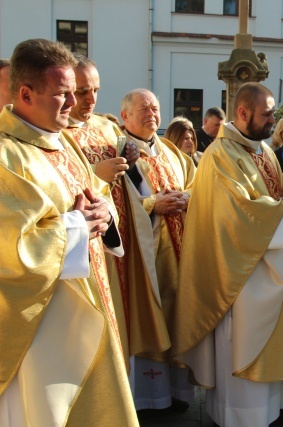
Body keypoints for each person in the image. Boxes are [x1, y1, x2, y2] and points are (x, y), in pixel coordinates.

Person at [0, 38, 137, 425]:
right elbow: (12, 249)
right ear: (25, 94)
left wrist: (104, 215)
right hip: (43, 322)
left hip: (91, 300)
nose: (74, 105)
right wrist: (77, 225)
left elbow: (95, 198)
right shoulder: (7, 156)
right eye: (63, 94)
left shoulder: (64, 143)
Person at [173, 82, 283, 427]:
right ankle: (239, 418)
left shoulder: (261, 149)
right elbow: (234, 211)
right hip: (241, 273)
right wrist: (281, 210)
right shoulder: (221, 155)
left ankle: (270, 412)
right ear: (243, 112)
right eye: (266, 114)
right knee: (245, 344)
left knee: (270, 343)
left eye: (273, 112)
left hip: (271, 263)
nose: (272, 119)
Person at [62, 55, 170, 370]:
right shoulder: (59, 132)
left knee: (124, 314)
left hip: (124, 238)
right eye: (82, 91)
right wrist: (97, 172)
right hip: (91, 244)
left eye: (95, 90)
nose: (90, 99)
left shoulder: (108, 127)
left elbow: (136, 179)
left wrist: (132, 159)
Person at [121, 88, 197, 411]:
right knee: (151, 313)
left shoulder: (170, 150)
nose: (152, 113)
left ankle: (178, 393)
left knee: (178, 313)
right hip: (145, 253)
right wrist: (154, 204)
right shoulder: (119, 152)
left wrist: (187, 198)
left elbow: (196, 184)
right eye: (143, 108)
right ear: (125, 115)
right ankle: (149, 397)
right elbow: (116, 200)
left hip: (181, 250)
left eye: (155, 107)